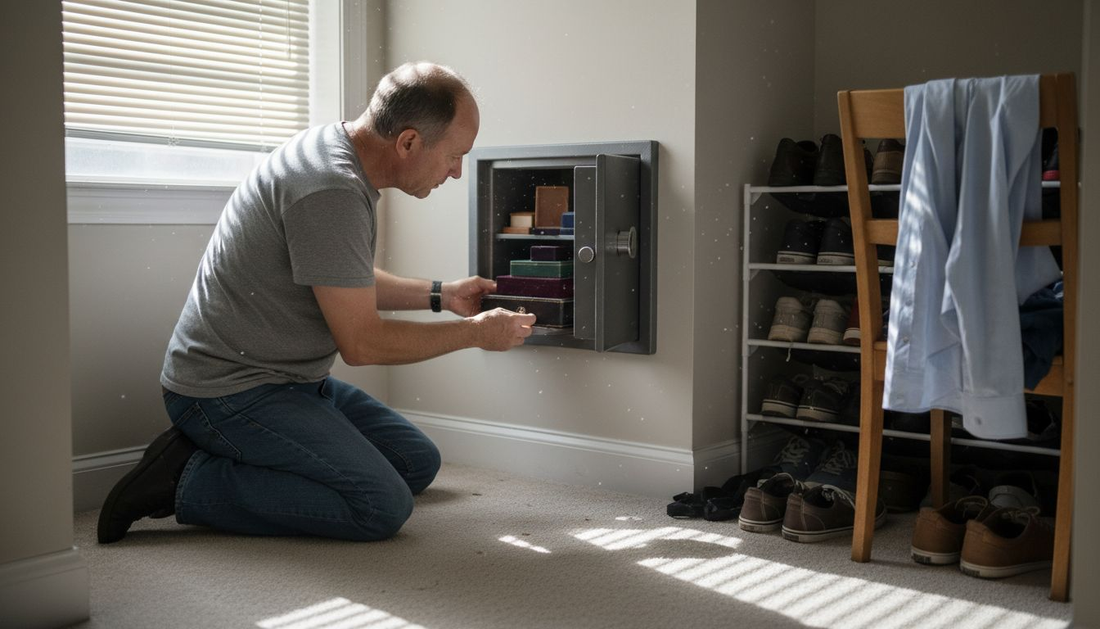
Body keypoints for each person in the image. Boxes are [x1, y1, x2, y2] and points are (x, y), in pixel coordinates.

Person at [97, 62, 536, 544]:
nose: (455, 172)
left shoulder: (336, 151)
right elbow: (363, 344)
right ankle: (185, 479)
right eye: (454, 156)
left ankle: (250, 455)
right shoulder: (330, 187)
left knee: (414, 461)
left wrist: (441, 294)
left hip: (291, 380)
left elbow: (337, 274)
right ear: (408, 142)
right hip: (228, 389)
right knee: (380, 506)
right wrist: (476, 335)